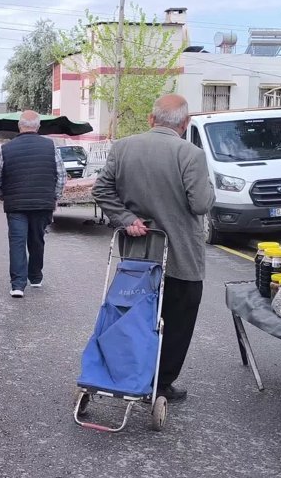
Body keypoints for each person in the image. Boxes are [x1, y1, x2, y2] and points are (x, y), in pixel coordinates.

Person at [92, 94, 216, 402]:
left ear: (151, 119)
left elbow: (101, 189)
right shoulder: (191, 154)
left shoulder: (123, 148)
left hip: (137, 253)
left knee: (135, 316)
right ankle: (161, 382)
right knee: (178, 317)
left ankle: (128, 373)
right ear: (185, 124)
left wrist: (125, 217)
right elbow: (201, 203)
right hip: (180, 256)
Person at [0, 111, 65, 298]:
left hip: (15, 204)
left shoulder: (7, 149)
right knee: (37, 239)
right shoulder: (50, 146)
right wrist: (54, 196)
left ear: (19, 126)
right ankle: (35, 277)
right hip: (42, 202)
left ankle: (17, 285)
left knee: (17, 242)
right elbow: (61, 175)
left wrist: (3, 196)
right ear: (38, 127)